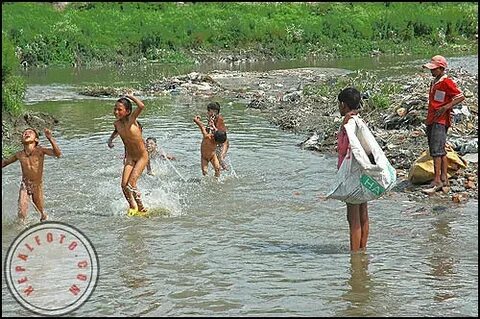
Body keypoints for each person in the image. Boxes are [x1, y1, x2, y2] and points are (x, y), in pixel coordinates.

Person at [422, 55, 465, 190]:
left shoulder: (446, 82)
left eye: (434, 69)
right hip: (432, 118)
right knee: (439, 150)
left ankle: (437, 180)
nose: (431, 71)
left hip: (440, 120)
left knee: (437, 151)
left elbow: (460, 96)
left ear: (441, 68)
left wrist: (446, 107)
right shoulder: (435, 81)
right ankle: (444, 178)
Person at [2, 128, 62, 222]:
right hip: (25, 185)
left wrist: (50, 138)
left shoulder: (40, 151)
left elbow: (57, 154)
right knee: (21, 212)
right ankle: (21, 230)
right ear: (22, 140)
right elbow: (5, 163)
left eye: (30, 132)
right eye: (24, 133)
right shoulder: (19, 154)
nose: (26, 133)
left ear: (36, 139)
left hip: (37, 185)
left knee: (41, 213)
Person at [337, 87, 369, 253]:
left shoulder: (349, 124)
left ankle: (355, 257)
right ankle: (363, 251)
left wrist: (342, 128)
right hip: (363, 173)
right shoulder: (359, 120)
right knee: (363, 213)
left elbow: (343, 149)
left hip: (352, 174)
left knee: (353, 218)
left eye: (339, 104)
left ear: (344, 104)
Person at [110, 93, 149, 216]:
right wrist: (110, 140)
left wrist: (130, 96)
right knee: (123, 185)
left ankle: (141, 207)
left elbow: (141, 106)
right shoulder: (117, 124)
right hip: (130, 158)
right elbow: (116, 132)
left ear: (127, 111)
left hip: (142, 157)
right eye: (115, 109)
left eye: (119, 109)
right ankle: (132, 206)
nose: (116, 111)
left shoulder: (132, 120)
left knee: (131, 184)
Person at [206, 102, 230, 170]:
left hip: (223, 142)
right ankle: (220, 176)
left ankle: (229, 173)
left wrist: (213, 126)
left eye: (214, 112)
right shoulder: (211, 119)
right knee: (215, 162)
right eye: (211, 111)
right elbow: (207, 132)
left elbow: (221, 133)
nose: (212, 113)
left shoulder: (219, 119)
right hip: (217, 143)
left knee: (220, 159)